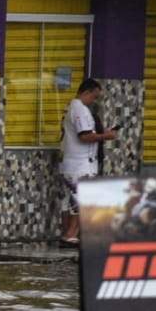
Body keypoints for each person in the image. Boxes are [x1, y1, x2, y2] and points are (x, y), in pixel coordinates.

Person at [60, 78, 117, 247]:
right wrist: (106, 136)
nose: (94, 101)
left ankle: (71, 234)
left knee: (77, 199)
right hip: (79, 163)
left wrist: (102, 134)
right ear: (86, 92)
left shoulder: (77, 108)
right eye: (94, 96)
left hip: (80, 162)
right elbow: (84, 136)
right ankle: (70, 235)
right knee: (79, 200)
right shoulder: (79, 109)